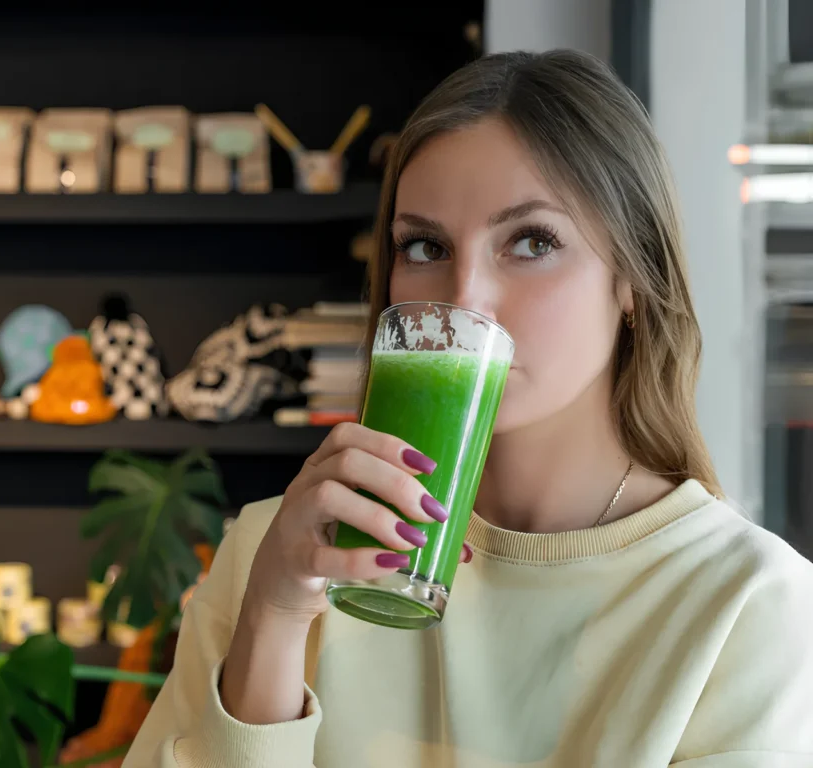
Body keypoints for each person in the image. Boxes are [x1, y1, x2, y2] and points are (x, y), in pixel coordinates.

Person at [123, 50, 813, 767]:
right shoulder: (274, 554)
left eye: (532, 242)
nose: (463, 301)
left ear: (634, 277)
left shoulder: (747, 605)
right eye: (424, 245)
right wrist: (273, 619)